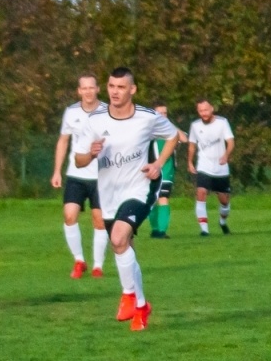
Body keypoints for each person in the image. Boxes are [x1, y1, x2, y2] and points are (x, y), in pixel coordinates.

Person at [74, 67, 179, 330]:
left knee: (118, 238)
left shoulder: (147, 117)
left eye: (121, 87)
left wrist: (159, 164)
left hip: (140, 187)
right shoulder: (95, 120)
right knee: (123, 246)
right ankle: (142, 306)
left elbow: (173, 135)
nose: (115, 92)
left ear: (132, 90)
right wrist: (91, 154)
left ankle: (128, 295)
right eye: (111, 86)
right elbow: (78, 159)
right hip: (109, 193)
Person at [52, 75, 109, 278]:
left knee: (99, 221)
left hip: (102, 176)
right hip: (76, 174)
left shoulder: (108, 112)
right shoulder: (71, 112)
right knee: (69, 215)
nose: (88, 92)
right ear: (79, 91)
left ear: (97, 89)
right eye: (84, 88)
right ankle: (79, 260)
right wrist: (57, 171)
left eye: (91, 88)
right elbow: (63, 141)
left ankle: (98, 266)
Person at [187, 99, 235, 236]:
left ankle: (222, 222)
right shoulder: (195, 125)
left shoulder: (222, 122)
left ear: (212, 109)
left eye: (206, 110)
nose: (204, 113)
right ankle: (204, 230)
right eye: (201, 111)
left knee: (224, 201)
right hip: (204, 166)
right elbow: (191, 145)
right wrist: (190, 162)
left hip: (221, 167)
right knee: (201, 193)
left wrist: (226, 155)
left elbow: (231, 142)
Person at [147, 102, 187, 239]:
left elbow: (184, 138)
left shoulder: (170, 130)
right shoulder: (148, 129)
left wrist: (170, 125)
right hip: (150, 171)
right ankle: (155, 229)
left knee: (163, 198)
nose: (163, 116)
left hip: (166, 170)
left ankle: (162, 231)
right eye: (160, 113)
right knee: (151, 200)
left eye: (165, 113)